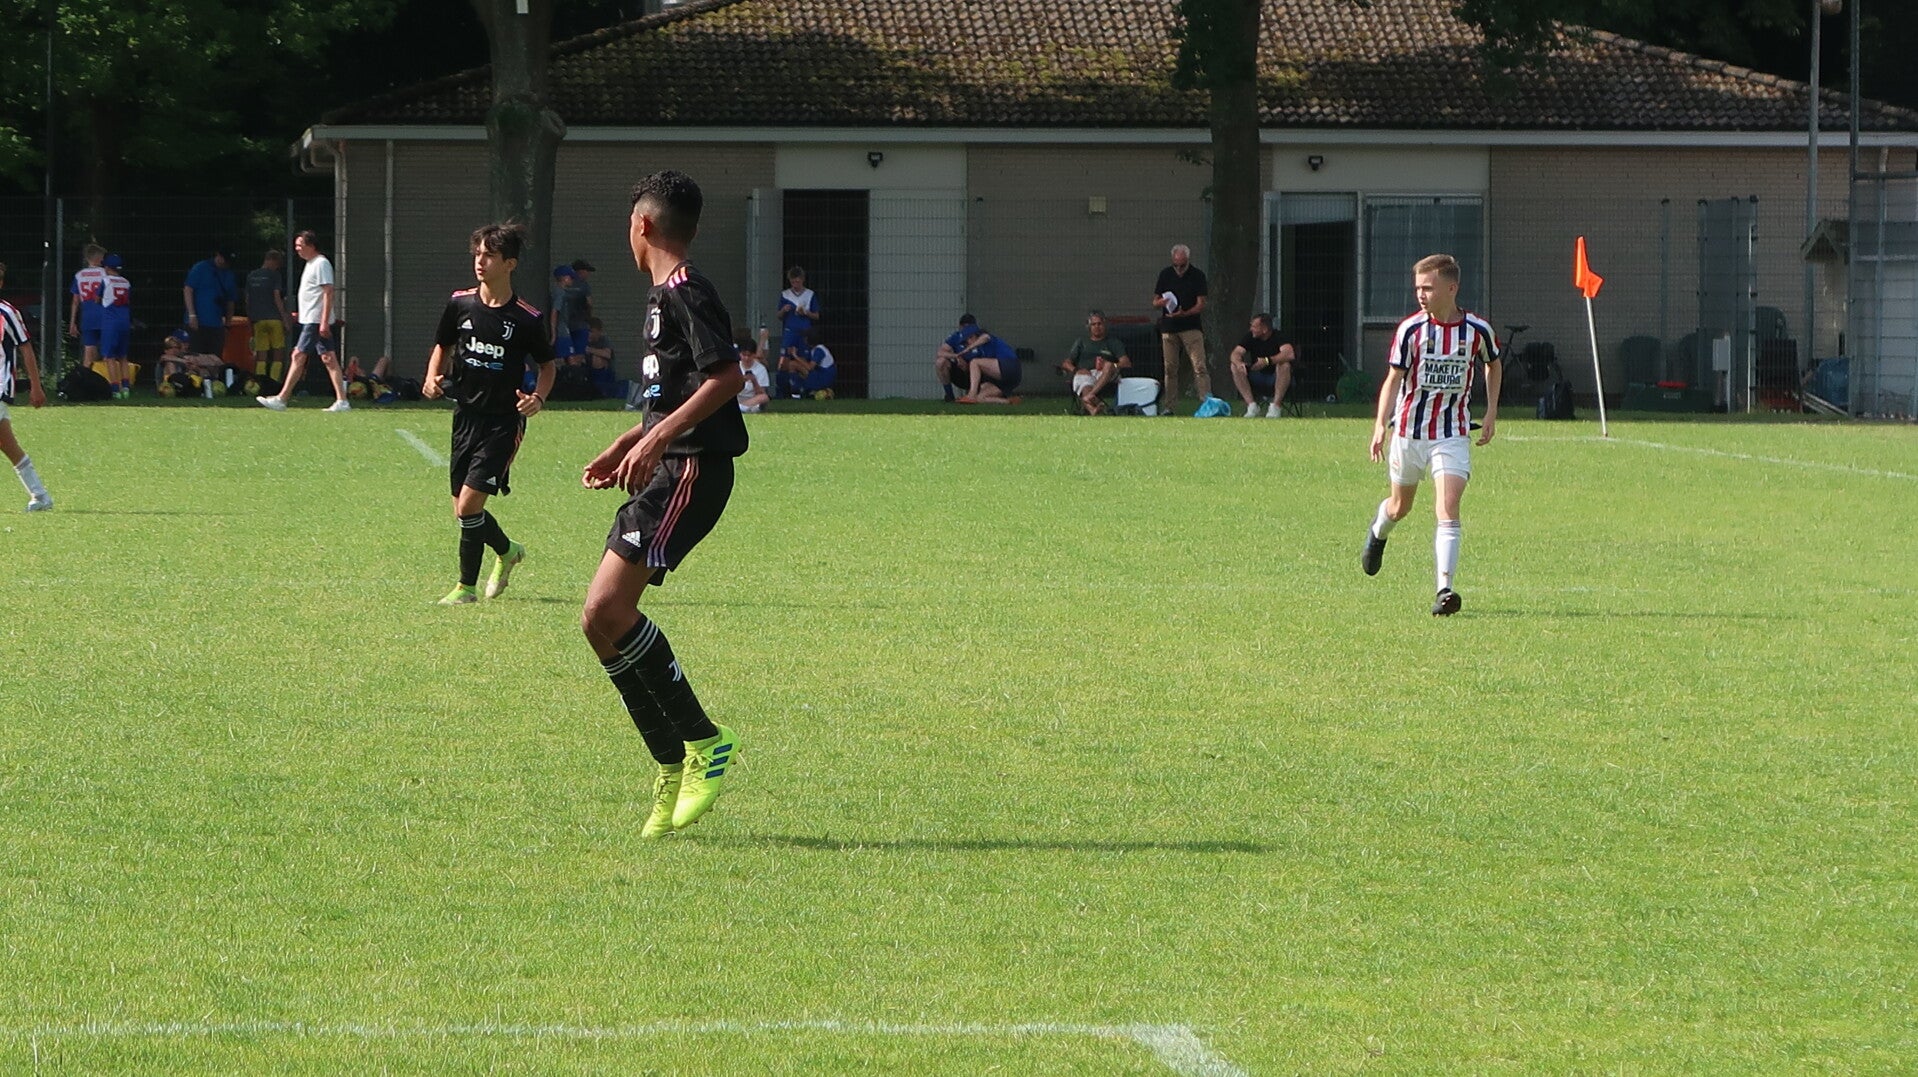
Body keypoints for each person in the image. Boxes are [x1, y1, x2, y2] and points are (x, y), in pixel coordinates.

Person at [581, 169, 747, 839]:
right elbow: (675, 394)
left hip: (693, 470)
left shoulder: (686, 289)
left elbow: (727, 377)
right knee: (597, 622)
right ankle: (671, 762)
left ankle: (705, 741)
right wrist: (634, 438)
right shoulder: (661, 296)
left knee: (607, 610)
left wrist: (659, 441)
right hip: (671, 464)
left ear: (643, 224)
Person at [421, 223, 556, 606]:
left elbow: (547, 366)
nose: (480, 261)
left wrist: (538, 398)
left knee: (468, 507)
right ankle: (508, 551)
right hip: (465, 417)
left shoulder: (526, 318)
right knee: (463, 511)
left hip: (502, 423)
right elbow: (443, 345)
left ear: (510, 264)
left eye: (489, 255)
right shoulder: (460, 304)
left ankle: (465, 588)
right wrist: (432, 377)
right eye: (477, 254)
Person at [1361, 253, 1500, 617]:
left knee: (1448, 507)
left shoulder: (1477, 331)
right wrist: (1380, 424)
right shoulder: (1411, 330)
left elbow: (1493, 363)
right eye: (1418, 288)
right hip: (1409, 432)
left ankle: (1445, 590)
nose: (1421, 295)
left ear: (1451, 288)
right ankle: (1379, 530)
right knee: (1400, 506)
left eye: (1428, 288)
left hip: (1452, 433)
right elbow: (1393, 379)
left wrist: (1491, 411)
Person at [257, 231, 350, 412]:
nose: (297, 249)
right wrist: (301, 314)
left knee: (298, 355)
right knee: (329, 359)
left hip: (315, 321)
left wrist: (324, 322)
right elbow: (313, 295)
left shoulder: (321, 263)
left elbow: (328, 292)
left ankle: (282, 398)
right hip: (311, 319)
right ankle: (342, 401)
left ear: (311, 245)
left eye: (300, 245)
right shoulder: (311, 264)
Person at [0, 262, 53, 512]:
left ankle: (40, 496)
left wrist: (36, 386)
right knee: (7, 444)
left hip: (0, 385)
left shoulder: (7, 313)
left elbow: (26, 348)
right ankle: (40, 495)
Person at [1152, 243, 1210, 413]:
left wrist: (1185, 313)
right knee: (1170, 368)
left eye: (1182, 265)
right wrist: (1161, 303)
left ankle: (1206, 402)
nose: (1178, 269)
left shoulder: (1197, 275)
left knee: (1199, 366)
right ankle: (1169, 406)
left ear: (1187, 260)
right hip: (1169, 327)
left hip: (1191, 326)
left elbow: (1201, 304)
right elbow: (1154, 301)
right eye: (1175, 265)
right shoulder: (1165, 274)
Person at [1057, 309, 1129, 415]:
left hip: (1106, 375)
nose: (1097, 327)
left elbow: (1126, 362)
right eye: (1093, 324)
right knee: (1084, 382)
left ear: (1104, 325)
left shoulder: (1113, 342)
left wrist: (1110, 365)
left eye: (1099, 324)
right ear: (1089, 327)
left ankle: (1090, 396)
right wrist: (1076, 370)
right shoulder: (1082, 342)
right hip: (1086, 373)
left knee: (1109, 365)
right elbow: (1066, 363)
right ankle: (1093, 409)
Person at [1229, 313, 1296, 418]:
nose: (1251, 329)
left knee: (1285, 365)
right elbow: (1236, 353)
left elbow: (1289, 353)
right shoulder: (1250, 336)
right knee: (1234, 366)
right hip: (1257, 376)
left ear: (1264, 329)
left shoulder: (1279, 336)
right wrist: (1239, 363)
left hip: (1276, 377)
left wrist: (1267, 361)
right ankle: (1252, 406)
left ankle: (1275, 407)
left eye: (1254, 326)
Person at [67, 244, 110, 395]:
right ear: (99, 259)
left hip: (88, 317)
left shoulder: (80, 275)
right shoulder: (105, 274)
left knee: (88, 353)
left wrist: (72, 322)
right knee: (108, 352)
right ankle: (109, 385)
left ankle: (84, 385)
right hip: (105, 316)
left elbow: (75, 301)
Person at [245, 249, 292, 381]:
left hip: (258, 319)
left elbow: (247, 299)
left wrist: (250, 318)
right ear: (274, 261)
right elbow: (277, 297)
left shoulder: (251, 276)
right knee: (278, 352)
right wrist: (285, 319)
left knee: (261, 353)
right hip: (274, 319)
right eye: (277, 264)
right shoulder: (274, 275)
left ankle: (260, 381)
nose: (277, 267)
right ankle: (274, 381)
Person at [183, 248, 237, 357]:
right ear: (218, 256)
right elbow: (188, 289)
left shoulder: (229, 274)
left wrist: (228, 324)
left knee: (215, 358)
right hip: (198, 322)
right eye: (224, 259)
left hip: (216, 324)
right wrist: (192, 315)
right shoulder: (200, 268)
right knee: (196, 356)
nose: (224, 263)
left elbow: (230, 301)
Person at [956, 327, 1021, 405]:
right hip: (1007, 380)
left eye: (968, 340)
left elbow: (986, 337)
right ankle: (1009, 401)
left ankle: (971, 395)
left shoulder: (987, 338)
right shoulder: (981, 351)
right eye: (965, 343)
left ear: (974, 336)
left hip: (1010, 365)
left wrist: (968, 349)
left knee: (974, 362)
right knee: (980, 398)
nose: (967, 343)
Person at [98, 255, 134, 395]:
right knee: (123, 356)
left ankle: (115, 388)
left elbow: (97, 298)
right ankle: (126, 388)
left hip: (111, 321)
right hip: (124, 320)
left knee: (110, 356)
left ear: (107, 267)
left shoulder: (106, 280)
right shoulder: (126, 282)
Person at [934, 312, 980, 401]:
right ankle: (949, 395)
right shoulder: (956, 337)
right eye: (965, 328)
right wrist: (956, 356)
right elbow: (940, 352)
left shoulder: (981, 338)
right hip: (960, 373)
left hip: (978, 373)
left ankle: (975, 394)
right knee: (941, 362)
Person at [777, 265, 818, 362]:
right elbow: (779, 316)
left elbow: (816, 316)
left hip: (804, 332)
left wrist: (806, 313)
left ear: (803, 280)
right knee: (785, 358)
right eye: (793, 282)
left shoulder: (810, 294)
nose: (795, 285)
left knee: (804, 359)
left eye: (797, 282)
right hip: (790, 331)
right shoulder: (785, 294)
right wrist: (783, 310)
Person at [549, 264, 580, 370]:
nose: (572, 280)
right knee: (568, 357)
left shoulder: (559, 292)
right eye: (571, 277)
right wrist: (554, 333)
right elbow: (555, 311)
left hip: (563, 328)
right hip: (561, 330)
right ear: (564, 278)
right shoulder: (560, 292)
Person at [735, 330, 770, 412]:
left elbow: (761, 392)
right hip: (737, 397)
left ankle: (742, 407)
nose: (746, 358)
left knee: (764, 397)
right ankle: (744, 408)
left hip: (752, 398)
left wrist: (754, 381)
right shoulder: (735, 366)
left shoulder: (760, 369)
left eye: (749, 355)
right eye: (744, 355)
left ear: (754, 355)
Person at [567, 259, 596, 359]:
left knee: (568, 354)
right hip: (581, 324)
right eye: (587, 271)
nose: (588, 274)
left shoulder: (566, 284)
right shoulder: (584, 285)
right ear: (581, 271)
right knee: (579, 353)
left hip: (565, 325)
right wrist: (589, 317)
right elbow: (589, 303)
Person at [584, 316, 618, 397]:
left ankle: (600, 390)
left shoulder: (604, 340)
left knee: (597, 359)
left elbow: (607, 354)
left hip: (605, 373)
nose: (589, 334)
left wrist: (589, 350)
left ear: (599, 331)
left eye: (592, 331)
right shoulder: (583, 339)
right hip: (588, 370)